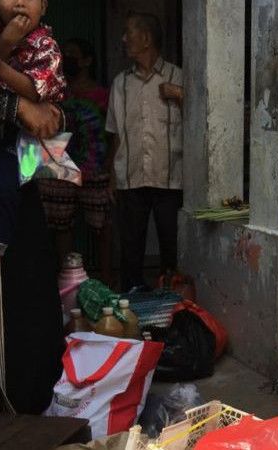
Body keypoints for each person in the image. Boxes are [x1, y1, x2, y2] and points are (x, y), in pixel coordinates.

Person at [0, 49, 67, 414]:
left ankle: (26, 408)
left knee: (28, 296)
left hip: (12, 172)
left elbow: (53, 111)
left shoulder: (27, 41)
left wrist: (48, 114)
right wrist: (16, 108)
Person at [0, 0, 65, 282]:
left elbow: (38, 92)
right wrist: (2, 49)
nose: (20, 1)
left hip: (28, 143)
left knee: (6, 188)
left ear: (44, 6)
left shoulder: (45, 44)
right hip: (5, 140)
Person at [106, 11, 184, 291]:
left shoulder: (179, 77)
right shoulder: (120, 84)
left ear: (147, 39)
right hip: (131, 176)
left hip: (170, 178)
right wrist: (112, 178)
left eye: (129, 32)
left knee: (171, 246)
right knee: (131, 248)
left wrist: (181, 95)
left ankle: (171, 299)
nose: (124, 39)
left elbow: (203, 122)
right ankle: (132, 300)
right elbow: (115, 132)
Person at [37, 38, 112, 283]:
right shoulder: (57, 91)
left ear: (87, 61)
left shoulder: (102, 95)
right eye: (64, 54)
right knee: (61, 225)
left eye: (72, 55)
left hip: (95, 167)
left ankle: (108, 282)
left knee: (101, 225)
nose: (67, 59)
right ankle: (67, 281)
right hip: (58, 164)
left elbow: (112, 133)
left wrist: (111, 168)